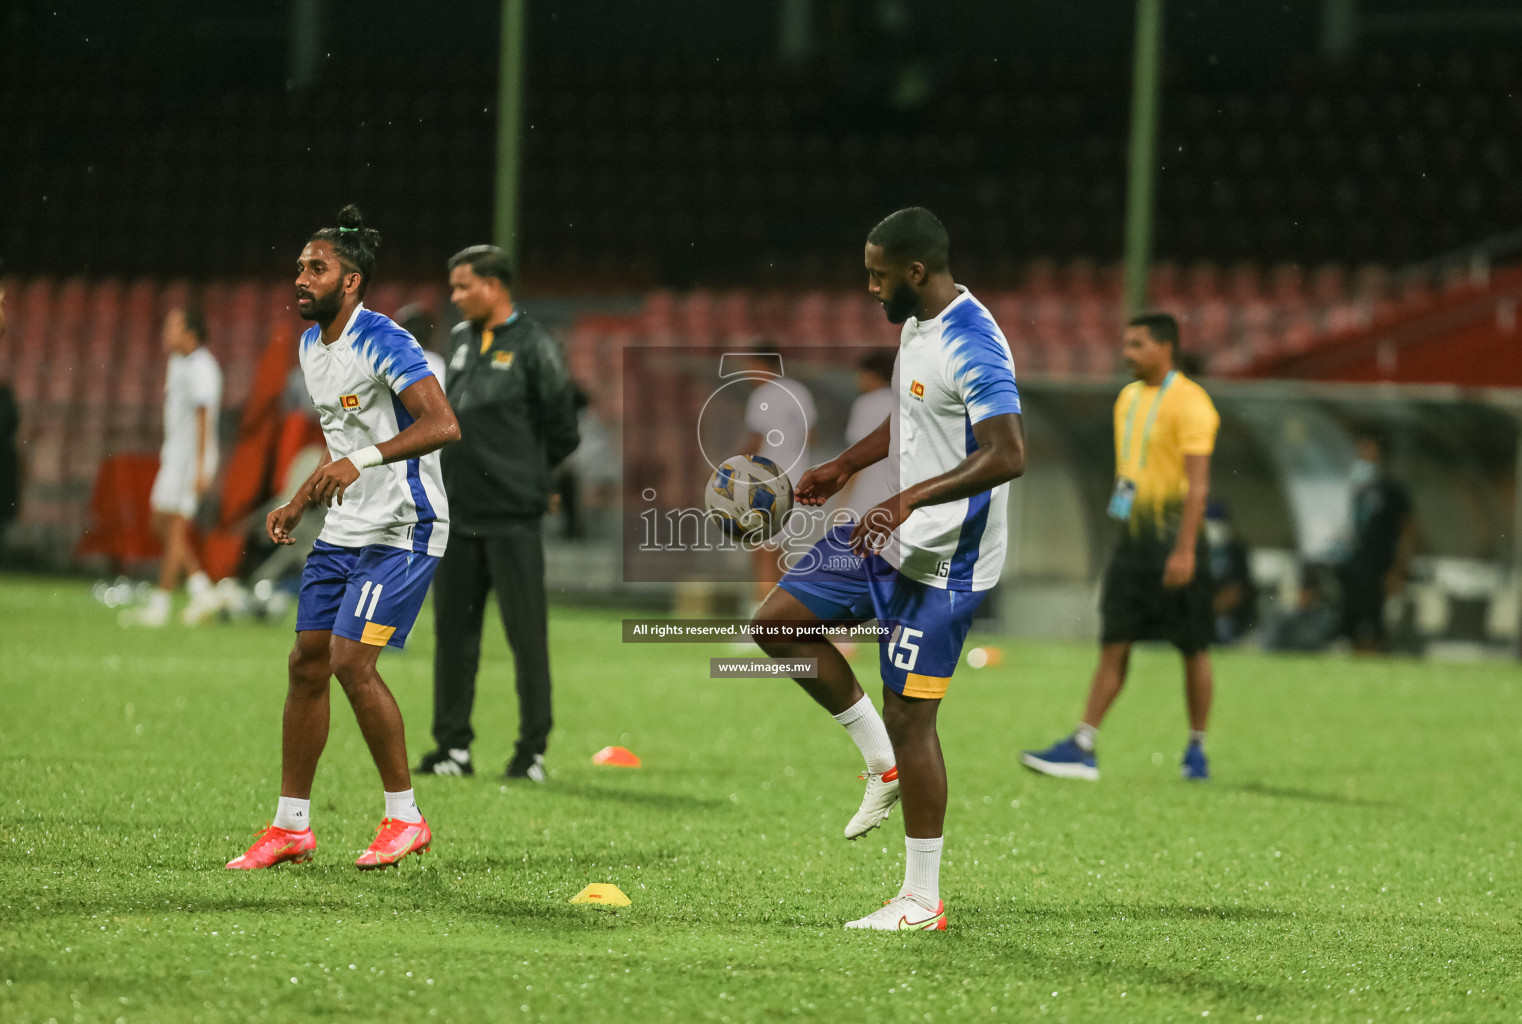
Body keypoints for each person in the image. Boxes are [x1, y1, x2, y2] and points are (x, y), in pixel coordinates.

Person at [750, 207, 1025, 931]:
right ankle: (883, 764)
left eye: (877, 275)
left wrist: (907, 497)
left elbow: (1008, 454)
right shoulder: (915, 325)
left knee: (912, 713)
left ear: (916, 271)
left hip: (945, 558)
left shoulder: (974, 342)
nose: (869, 288)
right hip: (889, 534)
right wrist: (845, 464)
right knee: (776, 627)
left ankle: (921, 898)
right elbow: (913, 419)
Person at [226, 205, 460, 870]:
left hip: (406, 528)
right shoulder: (310, 347)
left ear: (350, 282)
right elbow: (339, 445)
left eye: (316, 268)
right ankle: (292, 827)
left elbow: (443, 424)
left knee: (352, 663)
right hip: (347, 527)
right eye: (299, 267)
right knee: (306, 663)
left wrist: (360, 463)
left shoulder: (383, 339)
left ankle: (405, 818)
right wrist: (300, 500)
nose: (301, 277)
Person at [1022, 312, 1219, 782]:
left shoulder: (1193, 403)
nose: (1125, 353)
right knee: (1114, 644)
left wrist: (1185, 549)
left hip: (1175, 544)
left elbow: (1197, 487)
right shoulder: (1128, 398)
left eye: (1136, 345)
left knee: (1193, 648)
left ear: (1164, 348)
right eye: (1125, 344)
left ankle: (1197, 749)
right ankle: (1083, 744)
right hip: (1131, 546)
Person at [415, 245, 580, 782]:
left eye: (464, 286)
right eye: (453, 286)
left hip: (513, 517)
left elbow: (564, 429)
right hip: (458, 515)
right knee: (454, 638)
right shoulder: (460, 340)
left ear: (494, 286)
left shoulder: (535, 345)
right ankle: (452, 748)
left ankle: (531, 751)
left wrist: (533, 475)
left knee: (525, 637)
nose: (455, 296)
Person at [119, 305, 223, 627]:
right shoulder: (177, 363)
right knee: (160, 523)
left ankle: (160, 604)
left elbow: (205, 418)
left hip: (191, 458)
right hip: (174, 454)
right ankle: (202, 588)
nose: (166, 333)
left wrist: (202, 466)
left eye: (172, 327)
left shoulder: (203, 367)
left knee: (176, 528)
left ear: (191, 333)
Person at [739, 343, 817, 605]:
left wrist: (729, 468)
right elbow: (811, 437)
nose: (748, 373)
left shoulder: (763, 395)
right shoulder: (799, 392)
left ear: (763, 365)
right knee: (780, 553)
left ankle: (760, 619)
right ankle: (782, 617)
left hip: (766, 482)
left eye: (750, 367)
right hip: (794, 481)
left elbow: (756, 442)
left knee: (762, 550)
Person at [1341, 431, 1415, 652]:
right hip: (1354, 569)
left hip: (1380, 570)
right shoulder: (1357, 490)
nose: (1363, 456)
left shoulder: (1393, 491)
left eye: (1368, 450)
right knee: (1352, 628)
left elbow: (1408, 531)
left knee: (1375, 630)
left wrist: (1398, 570)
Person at [834, 350, 897, 519]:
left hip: (866, 496)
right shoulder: (902, 403)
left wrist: (843, 501)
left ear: (871, 375)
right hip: (896, 498)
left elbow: (856, 459)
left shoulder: (866, 404)